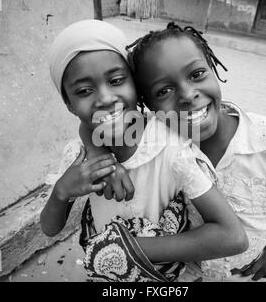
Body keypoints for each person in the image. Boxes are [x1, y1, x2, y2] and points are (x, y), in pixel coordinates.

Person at [87, 22, 266, 282]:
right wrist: (98, 156)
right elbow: (91, 125)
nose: (187, 94)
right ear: (147, 104)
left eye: (196, 74)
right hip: (186, 273)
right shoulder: (158, 132)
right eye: (164, 91)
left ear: (212, 68)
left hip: (251, 274)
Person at [40, 20, 248, 282]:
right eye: (84, 91)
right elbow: (50, 228)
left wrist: (129, 249)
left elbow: (233, 237)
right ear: (69, 104)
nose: (105, 98)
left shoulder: (170, 148)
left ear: (136, 86)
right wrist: (61, 192)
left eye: (116, 80)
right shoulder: (80, 159)